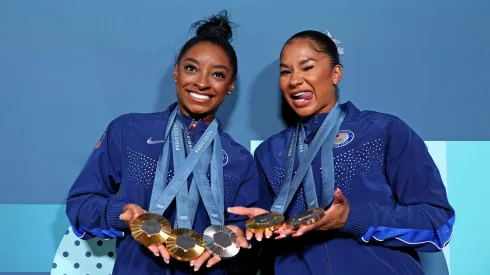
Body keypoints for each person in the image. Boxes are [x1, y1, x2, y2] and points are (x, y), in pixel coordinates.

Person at [228, 30, 455, 275]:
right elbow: (260, 249)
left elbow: (437, 224)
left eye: (307, 67)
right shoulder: (270, 152)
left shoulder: (383, 131)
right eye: (286, 72)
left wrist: (351, 218)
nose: (294, 80)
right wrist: (253, 233)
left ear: (336, 73)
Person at [66, 11, 258, 275]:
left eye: (217, 74)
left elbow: (247, 246)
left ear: (231, 86)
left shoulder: (240, 160)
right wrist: (121, 214)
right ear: (176, 72)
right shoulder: (129, 131)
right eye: (191, 68)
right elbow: (80, 205)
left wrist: (240, 240)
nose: (201, 82)